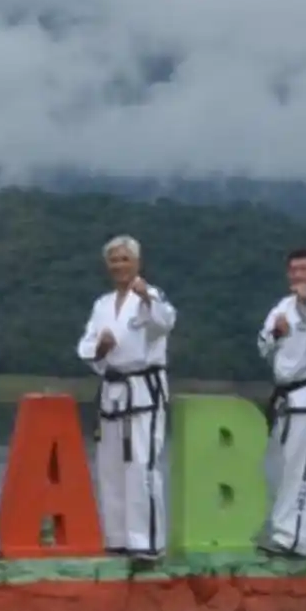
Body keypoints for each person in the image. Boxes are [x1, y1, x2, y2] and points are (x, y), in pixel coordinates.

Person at [77, 235, 176, 563]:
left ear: (137, 262)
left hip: (143, 391)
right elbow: (86, 346)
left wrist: (146, 296)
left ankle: (147, 542)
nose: (119, 265)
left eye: (124, 259)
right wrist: (100, 350)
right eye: (114, 260)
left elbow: (165, 322)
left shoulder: (151, 295)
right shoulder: (102, 304)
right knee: (111, 466)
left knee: (141, 465)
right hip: (112, 390)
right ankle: (118, 538)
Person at [258, 248, 306, 559]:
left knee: (303, 469)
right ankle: (295, 532)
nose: (297, 275)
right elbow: (263, 345)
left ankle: (293, 539)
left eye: (304, 269)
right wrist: (276, 334)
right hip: (286, 396)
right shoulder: (283, 306)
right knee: (285, 465)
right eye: (293, 270)